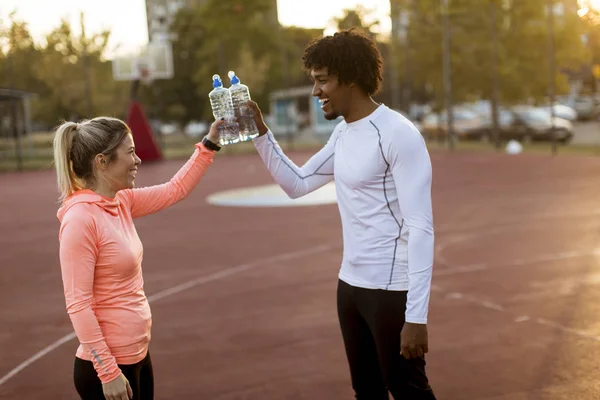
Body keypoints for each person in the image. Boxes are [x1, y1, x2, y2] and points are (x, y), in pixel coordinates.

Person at [247, 29, 437, 399]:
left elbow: (421, 226)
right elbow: (297, 183)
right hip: (349, 286)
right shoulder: (344, 134)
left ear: (349, 78)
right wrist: (260, 133)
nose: (316, 92)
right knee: (366, 390)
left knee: (408, 389)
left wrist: (416, 316)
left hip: (390, 289)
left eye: (322, 81)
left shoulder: (398, 134)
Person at [53, 116, 223, 400]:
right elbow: (78, 304)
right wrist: (108, 373)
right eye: (129, 152)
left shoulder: (120, 201)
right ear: (101, 161)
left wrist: (210, 142)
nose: (138, 159)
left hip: (138, 356)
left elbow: (174, 190)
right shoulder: (80, 220)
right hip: (108, 370)